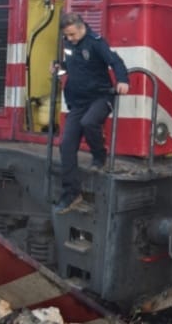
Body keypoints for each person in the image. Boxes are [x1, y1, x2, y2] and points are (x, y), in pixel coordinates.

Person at [54, 12, 130, 214]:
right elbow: (69, 66)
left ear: (81, 27)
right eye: (66, 35)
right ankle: (71, 194)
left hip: (101, 97)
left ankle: (100, 157)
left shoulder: (96, 42)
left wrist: (123, 80)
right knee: (66, 145)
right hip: (78, 102)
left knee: (89, 123)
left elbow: (116, 62)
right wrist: (58, 69)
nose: (69, 39)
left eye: (71, 34)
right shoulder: (68, 42)